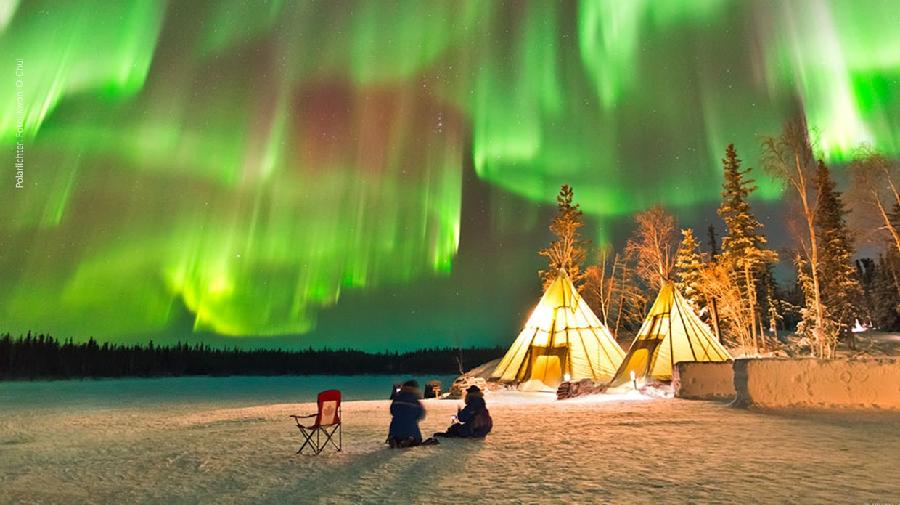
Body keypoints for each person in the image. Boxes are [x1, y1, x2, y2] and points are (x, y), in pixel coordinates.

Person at [386, 380, 438, 448]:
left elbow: (392, 411)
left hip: (394, 430)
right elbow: (420, 415)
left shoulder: (396, 399)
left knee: (396, 425)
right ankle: (410, 439)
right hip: (411, 431)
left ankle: (393, 438)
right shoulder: (415, 401)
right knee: (414, 434)